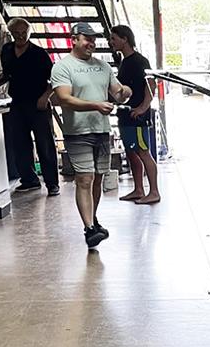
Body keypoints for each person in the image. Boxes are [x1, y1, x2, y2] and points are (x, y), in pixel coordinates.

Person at [50, 22, 131, 248]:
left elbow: (117, 92)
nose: (91, 43)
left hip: (101, 130)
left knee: (96, 179)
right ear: (73, 39)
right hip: (78, 132)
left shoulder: (103, 66)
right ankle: (88, 229)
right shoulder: (63, 67)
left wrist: (125, 92)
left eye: (93, 39)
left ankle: (92, 220)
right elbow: (64, 98)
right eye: (86, 39)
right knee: (84, 179)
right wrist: (95, 105)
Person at [0, 17, 60, 196]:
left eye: (23, 33)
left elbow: (54, 79)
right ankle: (29, 180)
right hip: (17, 103)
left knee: (45, 144)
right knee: (19, 144)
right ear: (11, 34)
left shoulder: (39, 54)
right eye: (16, 33)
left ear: (29, 33)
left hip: (37, 104)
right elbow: (7, 74)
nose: (20, 36)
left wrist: (45, 97)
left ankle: (52, 184)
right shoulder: (7, 50)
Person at [109, 25, 160, 204]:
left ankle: (154, 191)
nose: (111, 42)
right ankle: (138, 189)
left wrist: (143, 108)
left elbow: (151, 86)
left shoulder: (140, 61)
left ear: (125, 39)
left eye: (114, 38)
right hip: (125, 114)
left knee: (143, 151)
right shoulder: (125, 62)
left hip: (137, 116)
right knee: (131, 152)